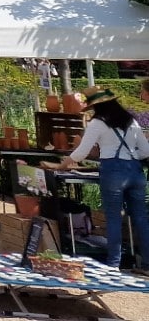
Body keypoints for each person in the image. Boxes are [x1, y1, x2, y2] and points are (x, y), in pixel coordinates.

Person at [45, 89, 149, 270]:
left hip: (113, 173)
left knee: (114, 218)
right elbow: (146, 151)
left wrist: (61, 166)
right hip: (136, 172)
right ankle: (147, 264)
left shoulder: (98, 123)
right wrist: (130, 157)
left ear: (97, 106)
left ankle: (113, 264)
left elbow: (81, 153)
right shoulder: (131, 121)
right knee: (141, 218)